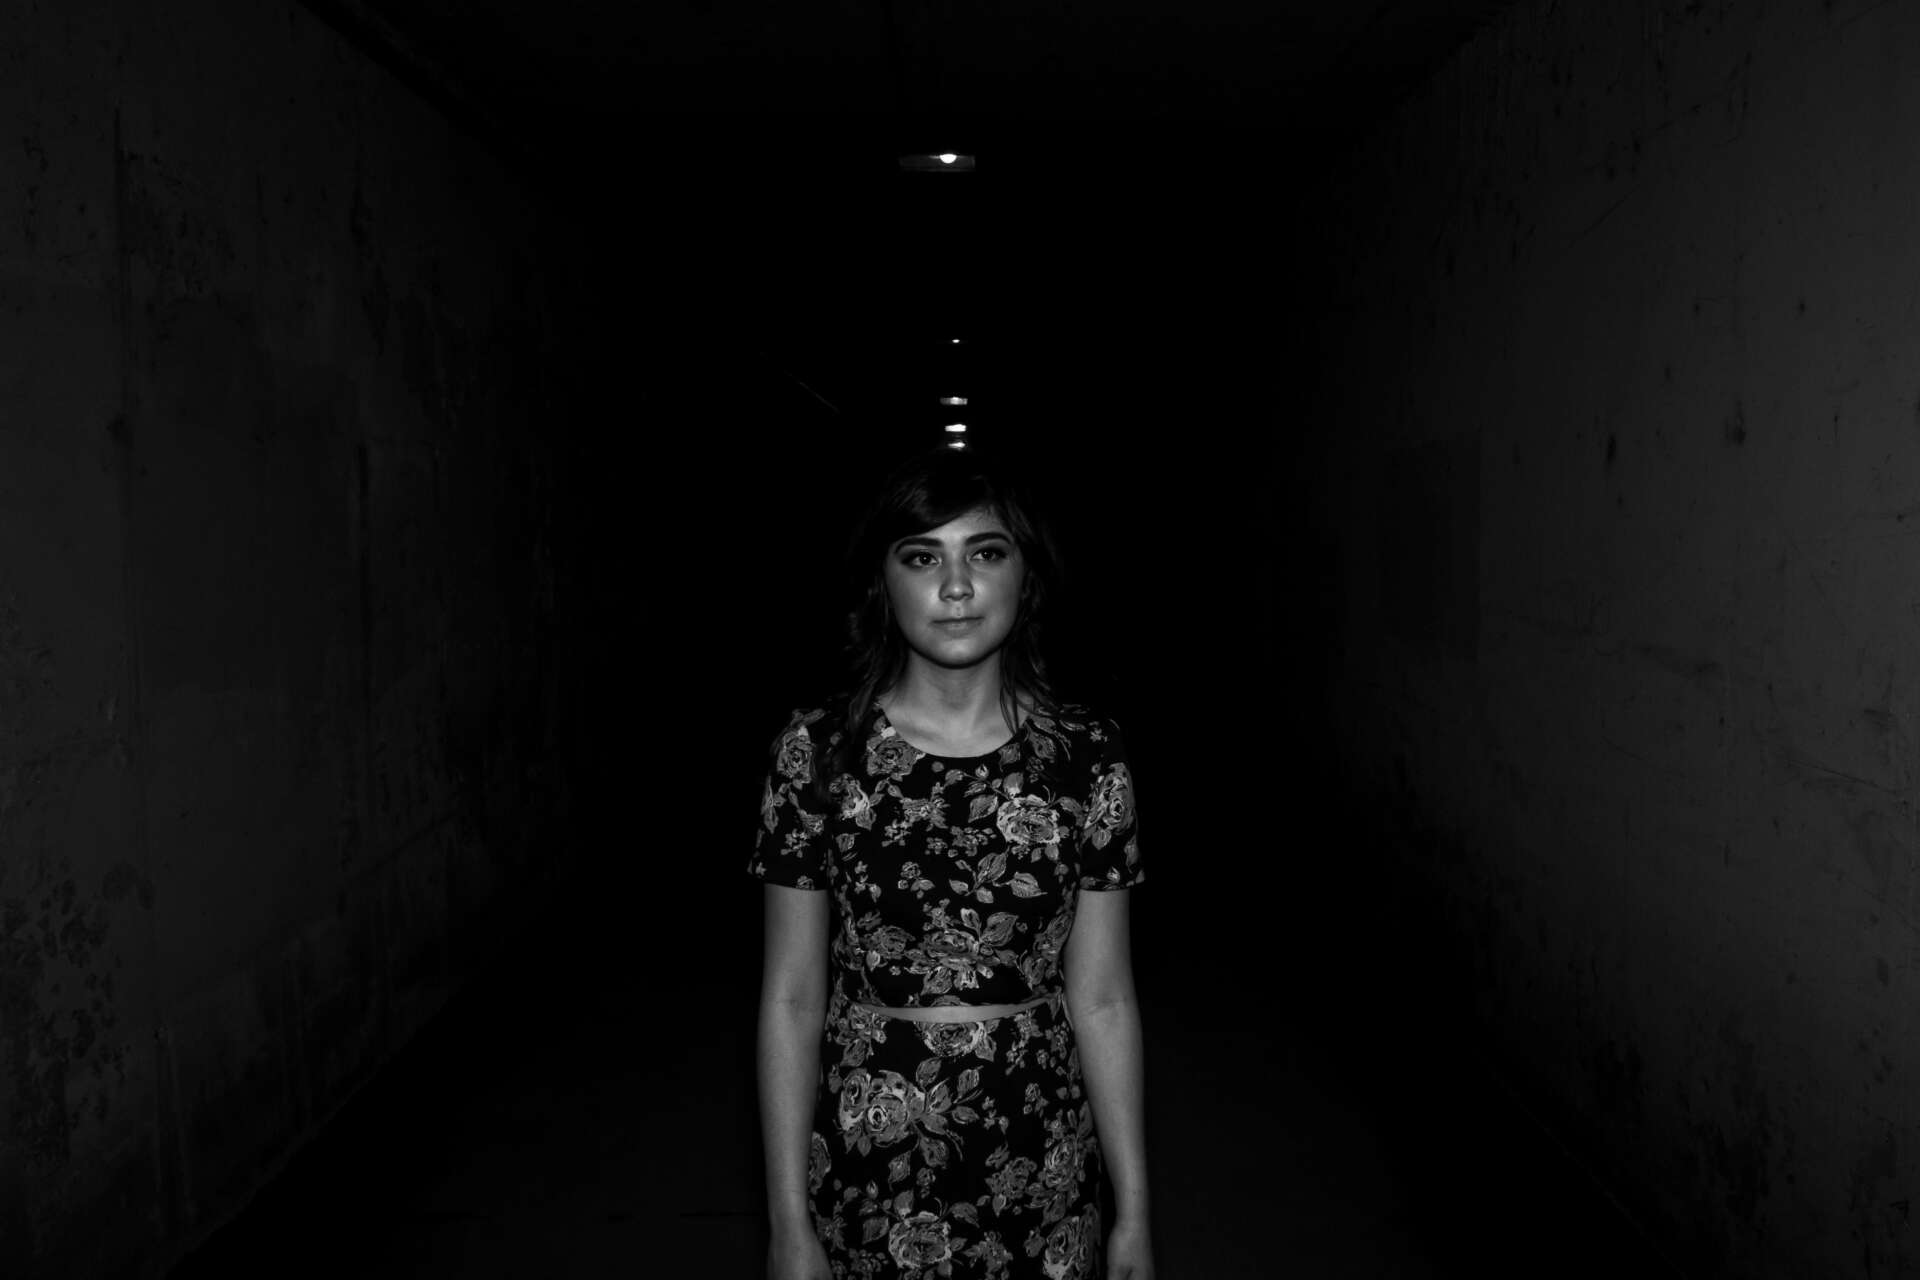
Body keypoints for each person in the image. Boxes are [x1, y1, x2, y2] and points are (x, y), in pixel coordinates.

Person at [750, 443, 1154, 1280]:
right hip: (867, 1164)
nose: (958, 585)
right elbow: (791, 998)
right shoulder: (817, 751)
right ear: (883, 581)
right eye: (923, 556)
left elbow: (1105, 998)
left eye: (987, 552)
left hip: (1042, 1159)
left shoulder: (1088, 755)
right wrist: (788, 1223)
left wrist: (1135, 1215)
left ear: (1026, 576)